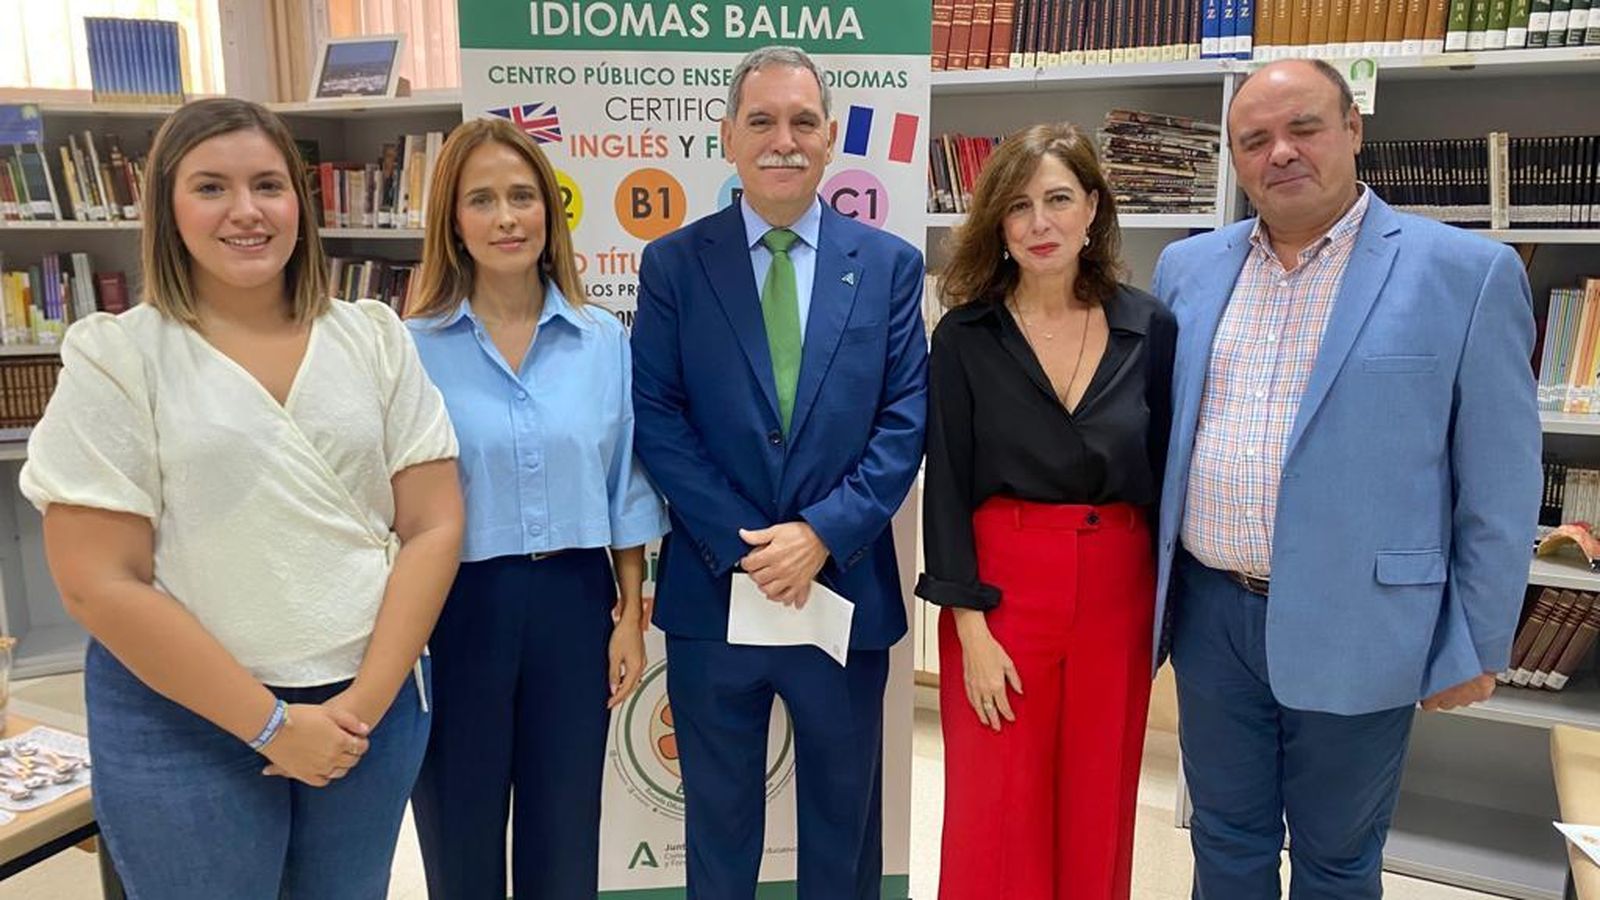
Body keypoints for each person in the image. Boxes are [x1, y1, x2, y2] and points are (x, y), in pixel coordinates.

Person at [19, 97, 463, 898]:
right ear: (168, 208)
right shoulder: (121, 356)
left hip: (369, 710)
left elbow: (433, 524)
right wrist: (270, 724)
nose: (247, 211)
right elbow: (98, 579)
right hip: (183, 721)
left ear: (301, 200)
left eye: (268, 184)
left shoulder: (374, 337)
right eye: (211, 187)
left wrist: (361, 706)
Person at [1151, 59, 1541, 898]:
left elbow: (1502, 485)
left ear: (1354, 129)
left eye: (1305, 128)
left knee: (1337, 857)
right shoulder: (1188, 270)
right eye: (1255, 140)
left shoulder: (1465, 274)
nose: (1280, 153)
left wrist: (1476, 639)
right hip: (1211, 613)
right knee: (1223, 837)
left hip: (1365, 620)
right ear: (1234, 156)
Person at [630, 44, 928, 899]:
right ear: (728, 136)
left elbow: (902, 424)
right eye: (761, 121)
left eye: (803, 122)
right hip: (717, 596)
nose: (783, 141)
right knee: (718, 830)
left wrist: (819, 537)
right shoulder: (676, 266)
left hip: (841, 597)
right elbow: (659, 418)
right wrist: (754, 546)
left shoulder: (889, 267)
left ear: (831, 138)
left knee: (842, 830)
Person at [404, 116, 668, 898]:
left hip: (572, 603)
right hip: (454, 609)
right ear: (452, 220)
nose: (507, 217)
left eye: (523, 197)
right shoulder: (409, 348)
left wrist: (627, 616)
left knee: (565, 833)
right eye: (481, 199)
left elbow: (624, 482)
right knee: (461, 831)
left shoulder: (601, 341)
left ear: (552, 214)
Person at [916, 122, 1176, 900]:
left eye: (1059, 199)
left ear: (1092, 209)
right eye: (1019, 206)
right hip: (1001, 595)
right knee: (996, 807)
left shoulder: (1150, 328)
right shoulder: (965, 337)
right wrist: (968, 625)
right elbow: (948, 483)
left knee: (1099, 805)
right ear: (997, 223)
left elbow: (1165, 473)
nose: (1040, 223)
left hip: (1114, 594)